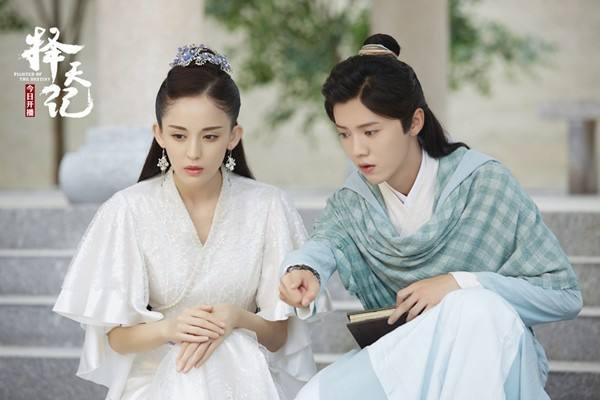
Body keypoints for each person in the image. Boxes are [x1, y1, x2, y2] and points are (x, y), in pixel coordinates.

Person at [278, 34, 582, 399]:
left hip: (492, 349)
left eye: (371, 131)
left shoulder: (483, 183)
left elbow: (564, 295)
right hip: (409, 352)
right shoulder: (353, 202)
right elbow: (323, 245)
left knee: (475, 308)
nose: (357, 149)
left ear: (414, 121)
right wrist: (305, 270)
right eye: (344, 134)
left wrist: (459, 284)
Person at [53, 44, 316, 400]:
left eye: (210, 136)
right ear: (159, 133)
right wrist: (171, 328)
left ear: (233, 136)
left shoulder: (268, 206)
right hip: (158, 378)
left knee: (228, 351)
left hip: (245, 374)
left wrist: (235, 319)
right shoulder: (128, 209)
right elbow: (116, 337)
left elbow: (277, 335)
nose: (193, 152)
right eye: (179, 135)